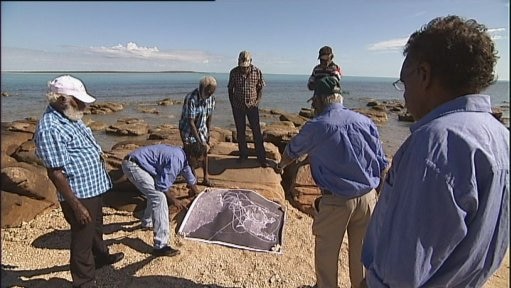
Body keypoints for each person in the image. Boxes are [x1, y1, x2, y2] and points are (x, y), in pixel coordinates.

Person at [362, 15, 509, 287]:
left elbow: (401, 272)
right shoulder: (501, 136)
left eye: (404, 83)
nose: (403, 96)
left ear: (424, 75)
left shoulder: (435, 144)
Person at [274, 76, 388, 288]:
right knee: (363, 258)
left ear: (318, 99)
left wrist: (280, 166)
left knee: (327, 257)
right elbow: (382, 162)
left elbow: (292, 151)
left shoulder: (317, 126)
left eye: (314, 100)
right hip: (368, 197)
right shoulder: (365, 121)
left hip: (336, 201)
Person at [34, 75, 124, 288]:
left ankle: (101, 256)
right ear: (62, 99)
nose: (84, 105)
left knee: (96, 227)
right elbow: (55, 172)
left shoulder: (70, 116)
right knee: (82, 240)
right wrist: (76, 206)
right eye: (79, 100)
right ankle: (83, 282)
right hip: (79, 192)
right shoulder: (50, 127)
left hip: (93, 186)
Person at [121, 143, 202, 257]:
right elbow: (162, 186)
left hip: (141, 165)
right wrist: (174, 200)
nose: (199, 164)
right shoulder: (177, 159)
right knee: (159, 197)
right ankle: (160, 246)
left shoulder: (183, 158)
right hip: (134, 165)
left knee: (154, 194)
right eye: (199, 161)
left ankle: (147, 223)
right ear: (193, 156)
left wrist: (198, 193)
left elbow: (190, 178)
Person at [228, 50, 268, 167]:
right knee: (240, 132)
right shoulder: (234, 72)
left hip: (252, 106)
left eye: (245, 67)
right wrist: (233, 104)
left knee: (257, 132)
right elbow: (230, 89)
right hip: (238, 107)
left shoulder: (257, 71)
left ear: (250, 63)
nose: (244, 69)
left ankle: (261, 157)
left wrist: (257, 101)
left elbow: (260, 87)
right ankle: (243, 155)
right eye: (242, 67)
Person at [178, 76, 217, 187]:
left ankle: (206, 178)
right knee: (191, 154)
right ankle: (193, 179)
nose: (210, 95)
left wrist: (208, 134)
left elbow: (209, 116)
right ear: (202, 88)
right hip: (188, 130)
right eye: (209, 92)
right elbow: (191, 122)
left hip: (202, 128)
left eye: (212, 92)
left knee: (204, 153)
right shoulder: (191, 98)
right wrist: (198, 141)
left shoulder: (211, 98)